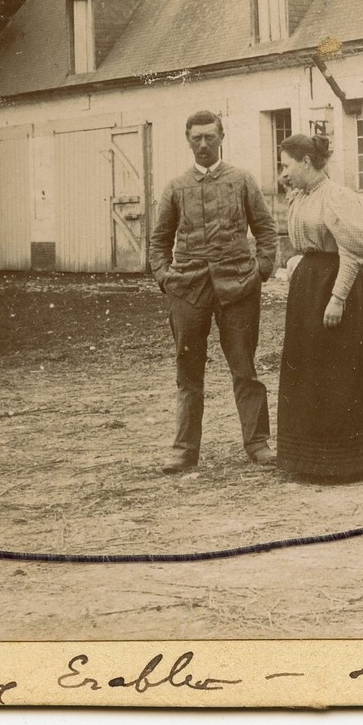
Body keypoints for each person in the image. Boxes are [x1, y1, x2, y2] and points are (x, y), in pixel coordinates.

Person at [275, 133, 363, 482]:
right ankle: (311, 457)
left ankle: (354, 459)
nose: (283, 173)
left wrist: (337, 298)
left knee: (341, 372)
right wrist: (295, 268)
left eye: (287, 165)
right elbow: (303, 245)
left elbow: (352, 252)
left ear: (306, 162)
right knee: (311, 371)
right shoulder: (300, 197)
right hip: (309, 290)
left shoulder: (338, 198)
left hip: (340, 290)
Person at [148, 110, 278, 474]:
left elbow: (267, 231)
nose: (203, 144)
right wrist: (165, 278)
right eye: (196, 138)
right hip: (188, 290)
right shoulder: (175, 187)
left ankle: (257, 443)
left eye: (210, 137)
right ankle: (184, 450)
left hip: (238, 288)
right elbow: (158, 241)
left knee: (244, 367)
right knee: (188, 371)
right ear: (187, 140)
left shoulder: (242, 180)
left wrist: (260, 271)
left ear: (222, 137)